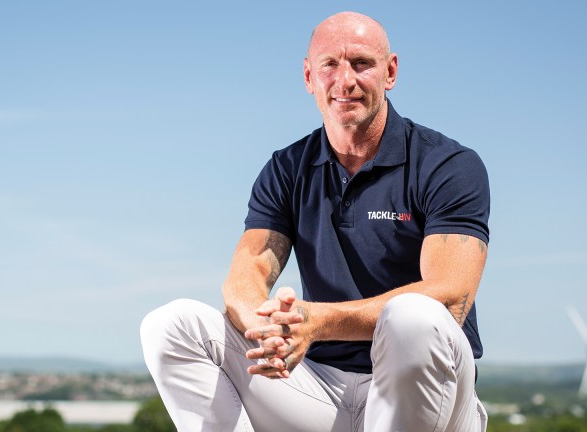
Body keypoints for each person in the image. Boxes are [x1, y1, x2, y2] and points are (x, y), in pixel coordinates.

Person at [141, 11, 490, 432]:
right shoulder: (287, 168)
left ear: (390, 72)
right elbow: (247, 272)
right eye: (330, 65)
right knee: (171, 325)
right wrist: (268, 330)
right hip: (319, 389)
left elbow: (451, 297)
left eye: (361, 63)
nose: (345, 80)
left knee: (414, 316)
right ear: (309, 77)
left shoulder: (446, 164)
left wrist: (318, 321)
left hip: (426, 394)